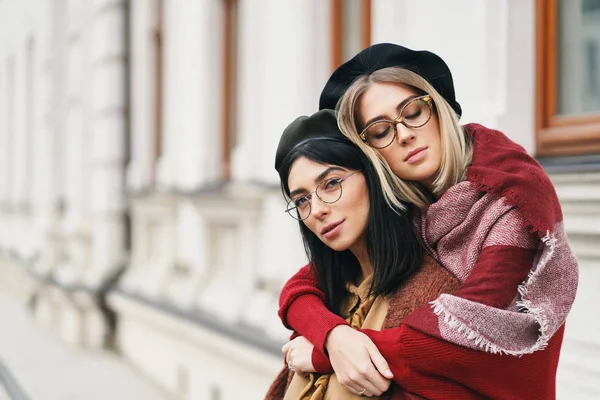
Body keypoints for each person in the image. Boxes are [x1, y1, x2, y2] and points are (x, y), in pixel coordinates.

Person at [276, 43, 579, 399]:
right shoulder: (411, 205)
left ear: (438, 107)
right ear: (372, 154)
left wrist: (329, 353)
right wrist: (333, 334)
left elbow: (461, 335)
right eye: (380, 131)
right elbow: (302, 285)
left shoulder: (512, 200)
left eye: (413, 111)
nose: (404, 134)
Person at [265, 109, 461, 399]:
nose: (316, 209)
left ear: (372, 176)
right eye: (302, 200)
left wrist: (322, 356)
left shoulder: (435, 293)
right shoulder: (328, 294)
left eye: (331, 183)